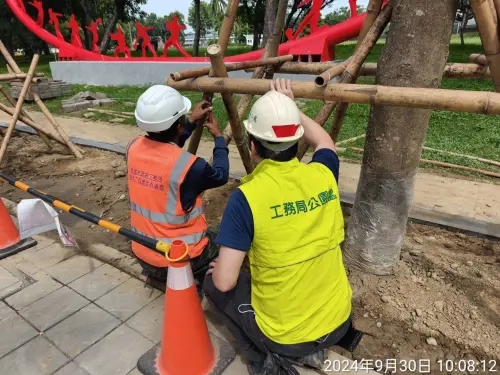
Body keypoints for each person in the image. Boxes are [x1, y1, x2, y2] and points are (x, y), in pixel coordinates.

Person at [203, 79, 360, 374]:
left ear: (252, 145)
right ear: (297, 138)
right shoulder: (323, 174)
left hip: (288, 338)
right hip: (339, 322)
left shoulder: (246, 198)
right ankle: (313, 352)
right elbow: (325, 142)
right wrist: (290, 109)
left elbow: (225, 282)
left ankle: (265, 361)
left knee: (214, 283)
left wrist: (220, 271)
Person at [127, 85, 229, 291]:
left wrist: (190, 121)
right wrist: (219, 138)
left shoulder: (132, 148)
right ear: (179, 126)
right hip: (178, 261)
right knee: (225, 232)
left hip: (142, 252)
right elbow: (221, 176)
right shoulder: (192, 167)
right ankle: (200, 280)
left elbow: (165, 149)